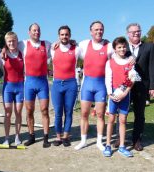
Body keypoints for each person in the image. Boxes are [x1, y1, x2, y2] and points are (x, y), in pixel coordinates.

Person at [74, 21, 113, 151]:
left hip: (100, 85)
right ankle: (83, 141)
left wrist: (130, 58)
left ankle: (99, 142)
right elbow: (71, 47)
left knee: (100, 115)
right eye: (96, 29)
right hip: (87, 85)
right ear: (91, 31)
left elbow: (119, 56)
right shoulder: (84, 44)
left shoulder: (109, 46)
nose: (98, 31)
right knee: (84, 114)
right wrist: (57, 44)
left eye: (101, 29)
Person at [18, 23, 51, 148]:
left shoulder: (46, 44)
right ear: (29, 32)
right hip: (29, 83)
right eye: (34, 30)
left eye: (38, 30)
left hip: (42, 82)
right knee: (29, 111)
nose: (36, 32)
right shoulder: (23, 44)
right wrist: (4, 48)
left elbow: (60, 45)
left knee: (44, 110)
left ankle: (46, 138)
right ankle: (31, 136)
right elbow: (11, 42)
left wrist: (72, 42)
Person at [104, 37, 134, 157]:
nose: (122, 49)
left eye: (123, 46)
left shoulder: (130, 62)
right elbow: (108, 79)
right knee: (111, 120)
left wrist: (126, 92)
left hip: (125, 96)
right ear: (115, 49)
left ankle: (122, 146)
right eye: (119, 47)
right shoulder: (110, 62)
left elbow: (132, 79)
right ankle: (107, 145)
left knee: (122, 121)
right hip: (113, 96)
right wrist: (110, 94)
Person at [125, 23, 154, 151]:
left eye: (138, 31)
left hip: (142, 86)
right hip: (125, 86)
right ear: (128, 34)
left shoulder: (149, 47)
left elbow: (152, 67)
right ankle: (120, 139)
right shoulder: (122, 47)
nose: (136, 33)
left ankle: (136, 140)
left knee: (139, 114)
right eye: (133, 32)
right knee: (122, 113)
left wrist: (152, 86)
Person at [51, 25, 80, 146]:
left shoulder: (76, 49)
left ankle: (66, 136)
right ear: (59, 36)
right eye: (62, 34)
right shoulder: (53, 49)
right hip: (57, 84)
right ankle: (58, 137)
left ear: (70, 35)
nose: (64, 36)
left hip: (71, 84)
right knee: (58, 112)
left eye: (66, 34)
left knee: (68, 112)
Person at [1, 32, 24, 145]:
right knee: (8, 113)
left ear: (17, 41)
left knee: (18, 113)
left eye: (13, 40)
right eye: (9, 41)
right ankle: (6, 138)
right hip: (8, 87)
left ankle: (17, 136)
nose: (11, 43)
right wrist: (3, 49)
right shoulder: (3, 56)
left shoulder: (22, 53)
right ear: (6, 43)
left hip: (20, 87)